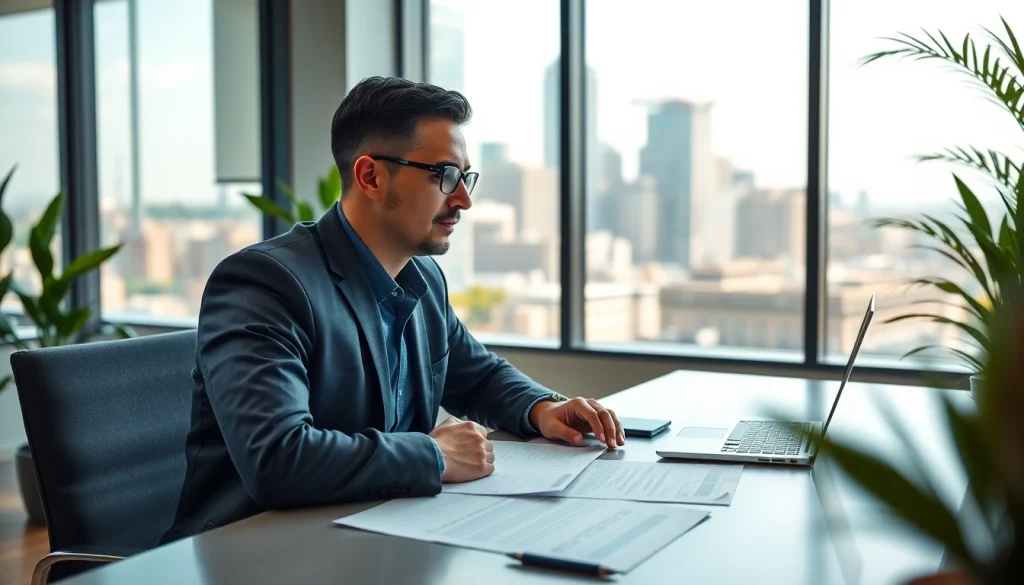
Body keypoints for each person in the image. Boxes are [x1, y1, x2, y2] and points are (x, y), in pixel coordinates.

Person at [162, 76, 625, 542]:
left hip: (378, 535)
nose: (463, 199)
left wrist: (544, 407)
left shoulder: (422, 277)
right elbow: (278, 458)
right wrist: (435, 455)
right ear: (371, 177)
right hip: (258, 551)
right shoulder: (266, 283)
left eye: (465, 177)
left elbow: (478, 376)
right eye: (444, 175)